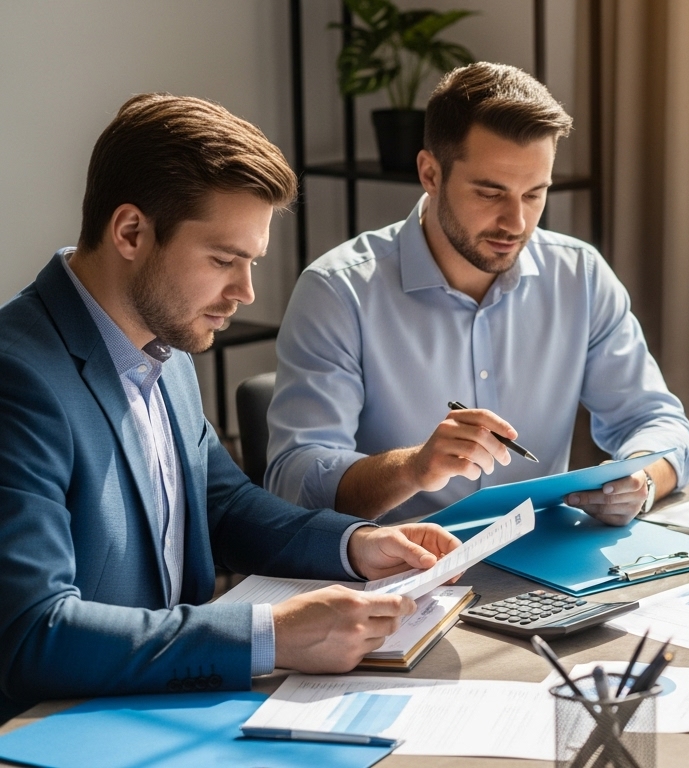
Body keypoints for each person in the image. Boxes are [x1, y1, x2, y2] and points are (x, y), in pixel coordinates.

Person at [0, 94, 463, 720]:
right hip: (61, 727)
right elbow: (33, 635)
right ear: (131, 231)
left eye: (250, 262)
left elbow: (222, 505)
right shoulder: (19, 378)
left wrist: (356, 546)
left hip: (167, 704)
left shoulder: (163, 349)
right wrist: (269, 635)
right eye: (223, 260)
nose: (244, 292)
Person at [266, 62, 689, 524]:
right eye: (491, 193)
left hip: (544, 558)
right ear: (430, 173)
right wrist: (413, 468)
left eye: (534, 194)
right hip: (400, 572)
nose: (517, 223)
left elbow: (658, 422)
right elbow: (295, 480)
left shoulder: (581, 275)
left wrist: (643, 480)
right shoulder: (338, 292)